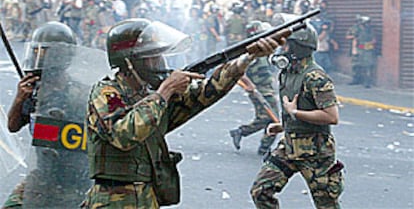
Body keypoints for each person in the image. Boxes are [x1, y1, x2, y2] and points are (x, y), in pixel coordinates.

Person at [82, 18, 282, 208]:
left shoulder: (149, 93)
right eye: (151, 57)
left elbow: (205, 92)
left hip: (146, 196)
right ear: (130, 63)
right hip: (112, 201)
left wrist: (246, 58)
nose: (159, 62)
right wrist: (165, 92)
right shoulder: (107, 93)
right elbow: (124, 134)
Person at [250, 18, 344, 209]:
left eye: (285, 45)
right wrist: (284, 125)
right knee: (261, 191)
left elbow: (331, 117)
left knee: (326, 204)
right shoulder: (287, 73)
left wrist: (295, 113)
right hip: (290, 146)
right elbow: (300, 109)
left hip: (315, 151)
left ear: (298, 47)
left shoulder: (315, 76)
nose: (280, 49)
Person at [2, 21, 91, 208]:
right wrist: (20, 99)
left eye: (44, 51)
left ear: (61, 56)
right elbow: (13, 126)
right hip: (43, 175)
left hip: (73, 181)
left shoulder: (81, 94)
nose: (38, 56)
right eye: (36, 51)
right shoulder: (33, 91)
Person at [229, 21, 282, 155]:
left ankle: (254, 141)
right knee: (273, 119)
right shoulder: (249, 51)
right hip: (259, 90)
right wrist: (249, 85)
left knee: (267, 118)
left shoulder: (263, 50)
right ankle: (262, 147)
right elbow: (237, 70)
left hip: (267, 89)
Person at [346, 15, 377, 88]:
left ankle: (367, 81)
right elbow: (347, 36)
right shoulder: (355, 28)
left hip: (367, 50)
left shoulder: (370, 30)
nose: (367, 24)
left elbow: (374, 40)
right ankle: (356, 79)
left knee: (367, 66)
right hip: (357, 49)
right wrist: (354, 37)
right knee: (355, 65)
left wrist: (369, 44)